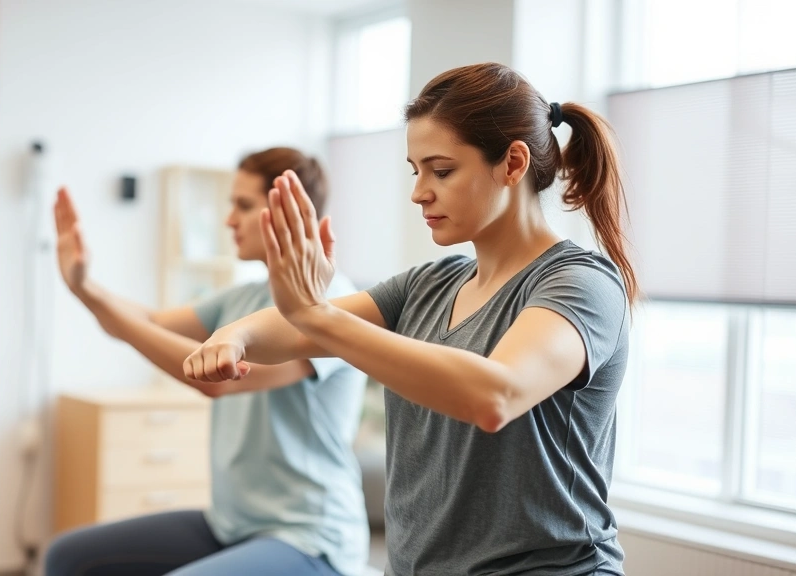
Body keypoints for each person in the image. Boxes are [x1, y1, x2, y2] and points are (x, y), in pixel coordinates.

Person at [184, 63, 637, 575]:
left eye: (441, 170)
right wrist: (235, 335)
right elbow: (295, 329)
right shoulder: (429, 283)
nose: (419, 191)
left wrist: (316, 314)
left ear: (512, 163)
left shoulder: (581, 284)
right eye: (415, 170)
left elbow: (494, 396)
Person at [44, 147, 369, 576]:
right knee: (67, 558)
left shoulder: (332, 307)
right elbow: (149, 322)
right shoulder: (243, 298)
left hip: (310, 536)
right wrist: (86, 288)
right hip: (231, 524)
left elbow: (220, 380)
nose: (229, 219)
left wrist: (107, 309)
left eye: (243, 205)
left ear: (289, 214)